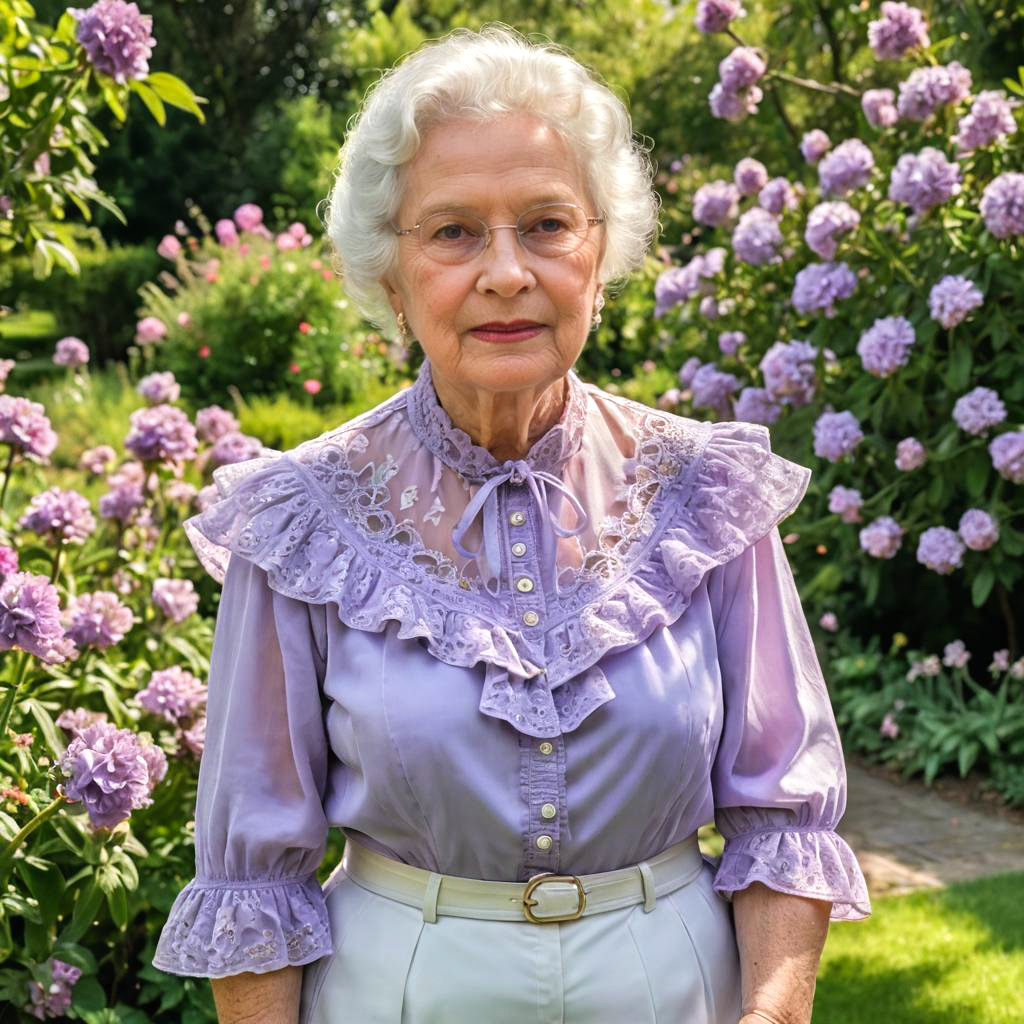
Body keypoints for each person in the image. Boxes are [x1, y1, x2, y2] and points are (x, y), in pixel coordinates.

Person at [152, 24, 871, 1024]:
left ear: (598, 251)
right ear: (390, 276)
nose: (504, 271)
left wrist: (774, 1013)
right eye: (452, 231)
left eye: (545, 224)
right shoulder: (302, 518)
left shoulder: (705, 492)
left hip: (675, 988)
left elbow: (782, 807)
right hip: (399, 990)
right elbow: (255, 867)